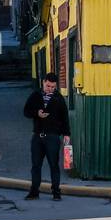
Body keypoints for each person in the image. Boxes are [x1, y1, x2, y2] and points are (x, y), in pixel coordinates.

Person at [23, 72, 70, 200]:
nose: (50, 89)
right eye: (48, 86)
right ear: (43, 82)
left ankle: (56, 192)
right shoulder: (36, 95)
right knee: (36, 165)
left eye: (53, 87)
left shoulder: (58, 98)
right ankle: (34, 191)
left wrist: (66, 134)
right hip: (37, 136)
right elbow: (26, 111)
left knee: (54, 165)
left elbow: (65, 117)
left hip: (53, 136)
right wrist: (37, 113)